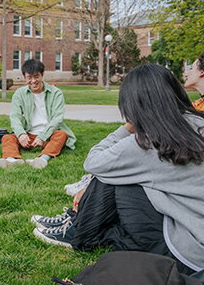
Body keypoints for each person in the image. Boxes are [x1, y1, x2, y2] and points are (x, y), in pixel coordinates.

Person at [32, 64, 204, 275]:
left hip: (188, 253)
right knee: (124, 173)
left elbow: (94, 162)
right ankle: (75, 220)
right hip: (194, 231)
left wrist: (127, 127)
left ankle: (78, 232)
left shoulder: (150, 142)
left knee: (113, 176)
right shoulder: (197, 122)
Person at [0, 59, 76, 169]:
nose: (33, 81)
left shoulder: (56, 93)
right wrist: (21, 134)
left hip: (49, 135)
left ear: (42, 75)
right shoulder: (19, 94)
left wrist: (42, 136)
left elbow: (57, 119)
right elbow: (15, 116)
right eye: (29, 77)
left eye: (36, 77)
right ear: (24, 77)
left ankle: (42, 159)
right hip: (28, 134)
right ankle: (11, 160)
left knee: (62, 135)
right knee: (8, 137)